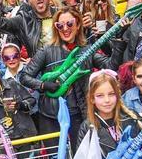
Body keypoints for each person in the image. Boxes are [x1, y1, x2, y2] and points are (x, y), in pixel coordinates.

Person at [20, 8, 122, 146]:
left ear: (78, 24)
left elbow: (111, 65)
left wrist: (119, 41)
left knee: (80, 156)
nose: (65, 28)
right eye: (59, 25)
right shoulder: (46, 50)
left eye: (69, 24)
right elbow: (25, 76)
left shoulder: (87, 49)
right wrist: (43, 85)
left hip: (79, 114)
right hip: (51, 115)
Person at [0, 61, 37, 142]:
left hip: (28, 133)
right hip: (8, 140)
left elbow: (32, 100)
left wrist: (20, 105)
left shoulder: (11, 84)